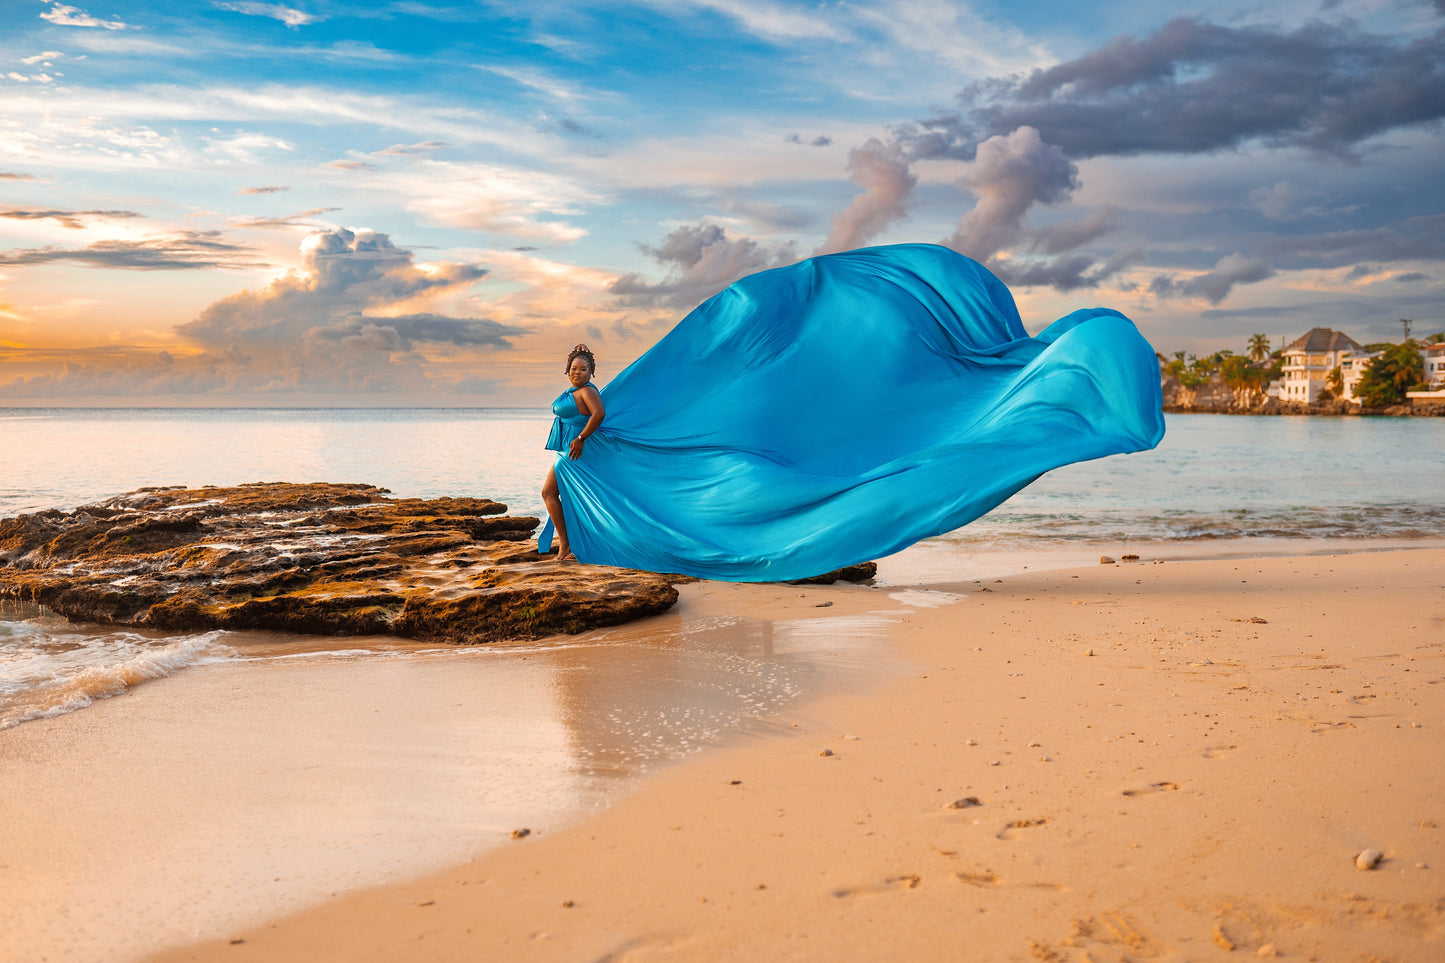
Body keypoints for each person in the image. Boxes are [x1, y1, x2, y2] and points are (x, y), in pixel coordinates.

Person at [541, 343, 604, 562]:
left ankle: (567, 543)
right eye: (574, 368)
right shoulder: (574, 391)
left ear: (591, 372)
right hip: (565, 451)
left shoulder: (587, 391)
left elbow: (599, 414)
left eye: (583, 369)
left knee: (549, 493)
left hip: (574, 451)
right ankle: (569, 542)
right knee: (557, 494)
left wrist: (581, 438)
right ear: (567, 369)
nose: (577, 372)